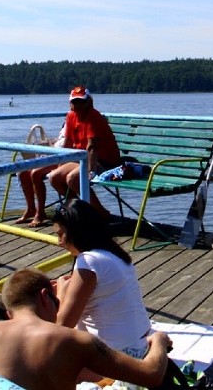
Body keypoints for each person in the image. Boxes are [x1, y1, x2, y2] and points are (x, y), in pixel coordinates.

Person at [0, 267, 171, 390]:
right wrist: (158, 341)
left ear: (9, 314)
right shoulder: (74, 340)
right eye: (57, 303)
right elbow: (151, 375)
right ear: (44, 296)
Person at [52, 199, 152, 357]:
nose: (59, 242)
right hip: (142, 344)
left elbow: (63, 326)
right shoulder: (114, 253)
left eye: (60, 234)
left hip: (119, 355)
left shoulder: (88, 261)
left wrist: (61, 292)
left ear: (74, 231)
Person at [49, 86, 121, 217]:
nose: (78, 105)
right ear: (70, 103)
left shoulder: (93, 116)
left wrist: (91, 171)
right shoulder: (70, 116)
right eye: (75, 102)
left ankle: (101, 213)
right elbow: (68, 143)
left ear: (88, 101)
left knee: (73, 179)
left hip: (104, 161)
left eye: (81, 101)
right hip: (82, 158)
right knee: (54, 177)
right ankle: (78, 212)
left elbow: (92, 147)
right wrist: (61, 163)